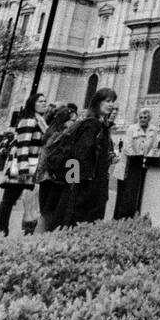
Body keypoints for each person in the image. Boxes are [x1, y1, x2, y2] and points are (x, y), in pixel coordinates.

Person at [55, 88, 119, 228]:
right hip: (87, 187)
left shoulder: (101, 125)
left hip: (94, 184)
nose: (111, 105)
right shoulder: (92, 124)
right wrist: (73, 186)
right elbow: (78, 155)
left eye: (112, 101)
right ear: (97, 102)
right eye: (107, 101)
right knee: (80, 223)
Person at [0, 92, 49, 236]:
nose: (44, 104)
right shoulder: (29, 121)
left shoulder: (40, 121)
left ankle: (23, 231)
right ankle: (2, 232)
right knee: (8, 201)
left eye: (45, 101)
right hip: (24, 168)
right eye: (40, 101)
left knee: (28, 203)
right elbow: (22, 146)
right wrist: (23, 169)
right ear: (32, 104)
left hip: (33, 167)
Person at [33, 105, 78, 233]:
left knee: (45, 212)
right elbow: (69, 158)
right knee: (50, 214)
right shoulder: (64, 136)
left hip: (44, 178)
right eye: (73, 121)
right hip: (56, 179)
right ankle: (39, 243)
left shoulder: (50, 134)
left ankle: (36, 240)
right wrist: (74, 179)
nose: (75, 123)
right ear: (64, 121)